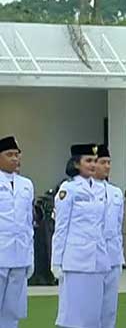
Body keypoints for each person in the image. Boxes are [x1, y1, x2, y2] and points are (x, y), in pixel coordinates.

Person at [52, 143, 108, 328]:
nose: (93, 164)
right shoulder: (68, 189)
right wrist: (57, 261)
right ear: (76, 164)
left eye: (95, 160)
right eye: (88, 161)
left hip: (97, 258)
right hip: (76, 260)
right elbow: (61, 227)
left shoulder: (99, 190)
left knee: (94, 315)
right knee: (75, 315)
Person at [0, 136, 33, 328]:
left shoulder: (26, 184)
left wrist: (30, 257)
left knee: (13, 308)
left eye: (17, 155)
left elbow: (28, 223)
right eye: (9, 155)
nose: (15, 159)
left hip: (19, 252)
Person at [95, 144, 125, 328]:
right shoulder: (80, 190)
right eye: (102, 162)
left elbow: (118, 226)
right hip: (91, 256)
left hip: (113, 255)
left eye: (109, 162)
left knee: (109, 309)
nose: (107, 166)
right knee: (90, 308)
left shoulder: (116, 192)